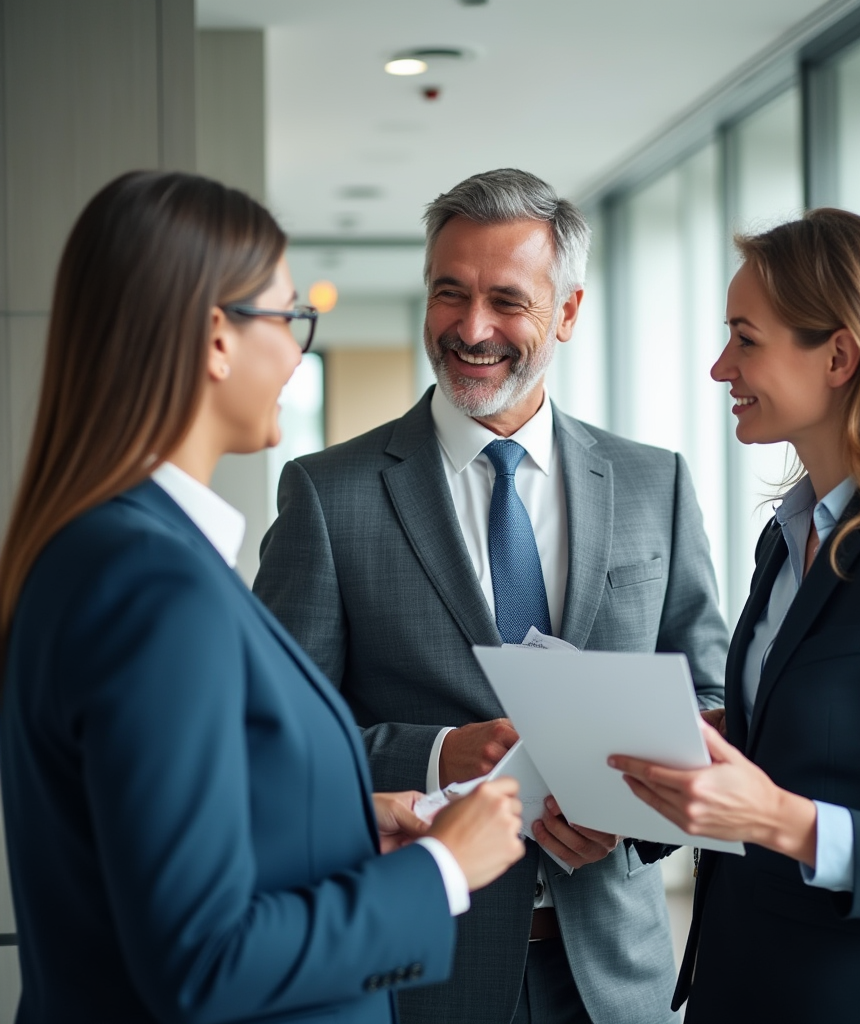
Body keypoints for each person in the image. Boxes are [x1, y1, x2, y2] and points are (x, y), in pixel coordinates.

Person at [0, 170, 526, 1024]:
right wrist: (441, 872)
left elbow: (145, 841)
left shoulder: (105, 550)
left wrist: (347, 824)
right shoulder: (152, 586)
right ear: (216, 339)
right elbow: (203, 960)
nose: (298, 350)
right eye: (288, 319)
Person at [253, 168, 729, 1024]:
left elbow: (710, 700)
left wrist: (635, 818)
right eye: (449, 294)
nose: (472, 329)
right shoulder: (330, 493)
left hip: (614, 975)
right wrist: (439, 755)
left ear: (569, 313)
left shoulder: (652, 482)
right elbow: (275, 743)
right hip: (420, 972)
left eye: (508, 300)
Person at [610, 208, 860, 1024]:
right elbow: (803, 749)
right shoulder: (785, 538)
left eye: (746, 339)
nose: (720, 367)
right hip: (740, 986)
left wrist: (784, 821)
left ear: (838, 355)